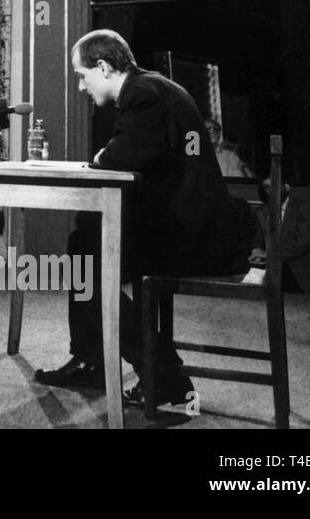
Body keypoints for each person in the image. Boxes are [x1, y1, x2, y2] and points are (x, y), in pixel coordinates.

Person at [33, 29, 238, 411]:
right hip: (183, 223)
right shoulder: (149, 89)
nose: (80, 86)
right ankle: (92, 358)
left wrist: (100, 158)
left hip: (193, 236)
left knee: (86, 264)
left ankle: (164, 377)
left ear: (104, 66)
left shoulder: (143, 95)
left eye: (82, 75)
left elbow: (116, 160)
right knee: (84, 246)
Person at [248, 178, 310, 294]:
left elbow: (302, 243)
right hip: (267, 265)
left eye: (275, 186)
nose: (271, 191)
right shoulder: (261, 210)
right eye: (267, 187)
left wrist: (268, 255)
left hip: (295, 266)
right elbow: (257, 240)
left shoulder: (303, 208)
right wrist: (256, 250)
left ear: (286, 187)